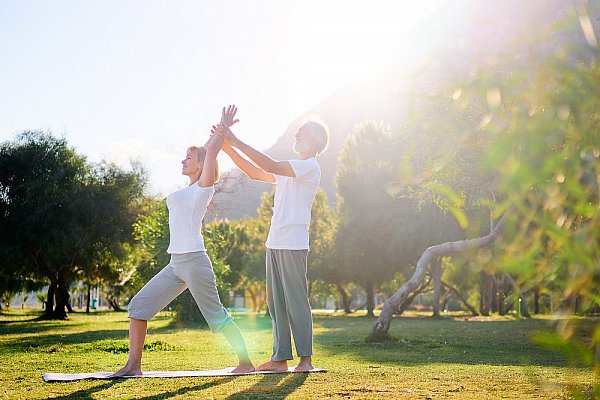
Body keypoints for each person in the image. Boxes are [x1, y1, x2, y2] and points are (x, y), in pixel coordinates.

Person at [111, 115, 254, 377]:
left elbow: (208, 153)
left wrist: (222, 130)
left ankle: (245, 363)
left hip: (195, 262)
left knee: (217, 316)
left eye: (188, 158)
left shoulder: (203, 189)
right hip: (175, 264)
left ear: (201, 166)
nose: (183, 160)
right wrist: (213, 137)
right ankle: (133, 366)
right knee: (138, 307)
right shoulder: (188, 189)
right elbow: (204, 151)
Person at [214, 105, 329, 372]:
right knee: (276, 304)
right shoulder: (291, 169)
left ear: (313, 139)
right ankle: (279, 359)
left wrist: (235, 140)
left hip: (293, 243)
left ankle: (306, 360)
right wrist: (227, 147)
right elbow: (257, 172)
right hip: (274, 241)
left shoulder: (308, 167)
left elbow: (268, 164)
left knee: (296, 301)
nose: (296, 136)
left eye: (301, 133)